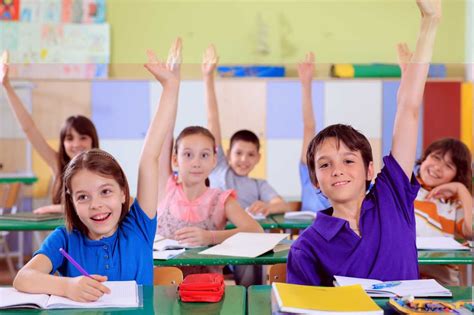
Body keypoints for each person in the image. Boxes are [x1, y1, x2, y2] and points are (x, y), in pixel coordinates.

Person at [12, 38, 182, 301]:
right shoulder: (65, 239)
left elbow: (150, 155)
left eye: (105, 191)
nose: (96, 205)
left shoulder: (138, 227)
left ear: (124, 193)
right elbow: (22, 278)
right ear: (71, 200)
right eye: (83, 197)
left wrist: (170, 87)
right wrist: (67, 287)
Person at [287, 0, 441, 286]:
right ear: (316, 182)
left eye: (348, 160)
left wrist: (429, 24)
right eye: (325, 164)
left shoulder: (390, 196)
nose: (338, 169)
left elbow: (408, 108)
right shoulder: (305, 247)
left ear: (370, 170)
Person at [155, 43, 263, 278]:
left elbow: (255, 230)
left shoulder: (220, 200)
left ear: (215, 159)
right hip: (164, 290)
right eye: (187, 154)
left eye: (204, 155)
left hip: (208, 292)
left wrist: (210, 238)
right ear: (174, 159)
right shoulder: (165, 186)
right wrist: (172, 83)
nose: (196, 162)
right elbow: (165, 132)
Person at [1, 51, 99, 214]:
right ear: (63, 142)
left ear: (92, 140)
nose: (76, 144)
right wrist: (7, 86)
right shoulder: (58, 163)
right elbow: (29, 128)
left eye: (83, 137)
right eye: (69, 138)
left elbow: (92, 206)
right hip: (62, 236)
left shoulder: (101, 167)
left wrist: (53, 208)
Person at [297, 51, 332, 212]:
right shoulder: (309, 175)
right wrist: (306, 84)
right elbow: (309, 126)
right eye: (323, 163)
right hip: (308, 235)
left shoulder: (341, 189)